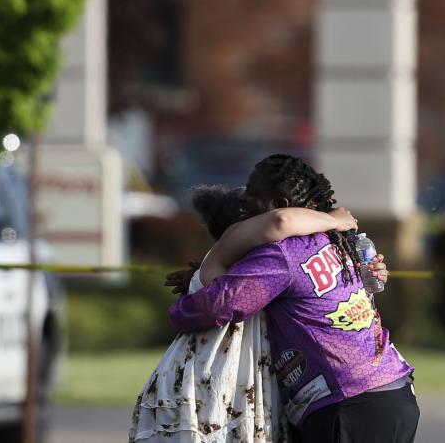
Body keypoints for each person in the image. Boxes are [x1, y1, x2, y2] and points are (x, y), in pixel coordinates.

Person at [169, 154, 417, 443]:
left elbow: (221, 304)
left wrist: (182, 307)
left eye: (251, 194)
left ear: (278, 206)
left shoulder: (282, 253)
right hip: (394, 391)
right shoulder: (336, 239)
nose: (242, 202)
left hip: (347, 404)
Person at [129, 183, 360, 443]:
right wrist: (333, 219)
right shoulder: (230, 270)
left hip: (207, 391)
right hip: (211, 395)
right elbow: (282, 220)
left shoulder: (252, 274)